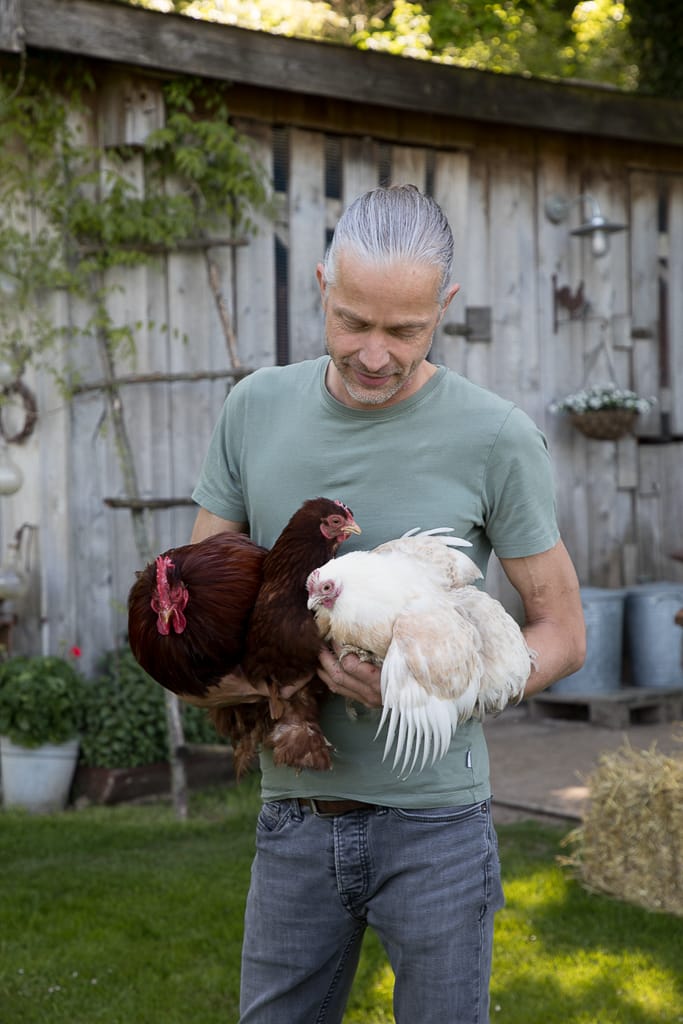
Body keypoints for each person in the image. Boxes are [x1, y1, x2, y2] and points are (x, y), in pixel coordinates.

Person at [190, 184, 586, 1024]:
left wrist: (449, 685)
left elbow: (562, 630)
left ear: (443, 307)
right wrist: (274, 683)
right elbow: (198, 617)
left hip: (437, 827)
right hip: (293, 815)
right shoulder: (253, 409)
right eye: (352, 322)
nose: (373, 353)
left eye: (404, 330)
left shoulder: (495, 436)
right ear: (324, 285)